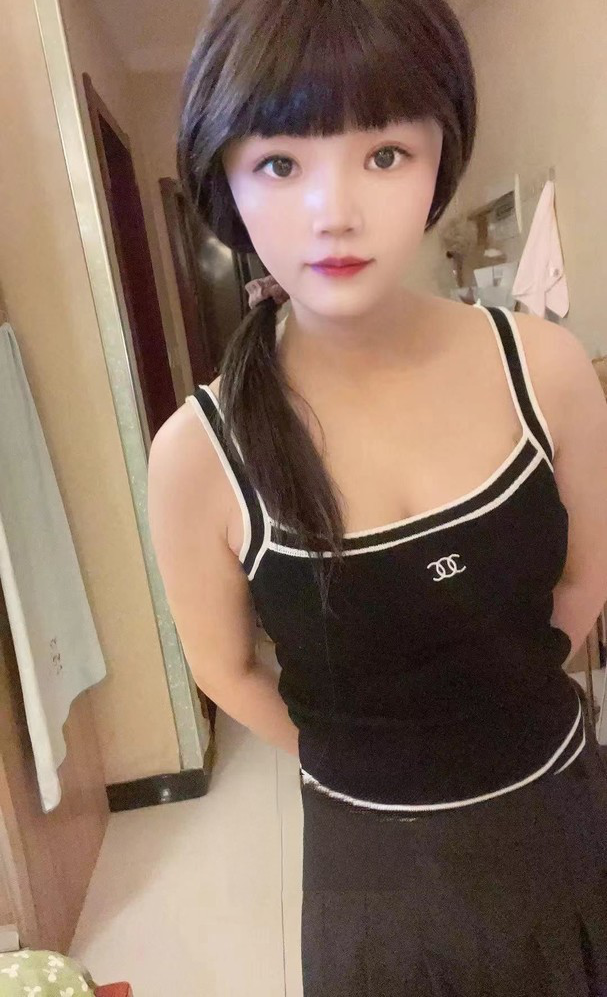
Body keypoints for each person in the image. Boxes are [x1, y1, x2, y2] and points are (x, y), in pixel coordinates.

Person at [147, 0, 607, 992]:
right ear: (225, 178)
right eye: (281, 163)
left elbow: (583, 581)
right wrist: (378, 758)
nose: (334, 211)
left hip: (564, 807)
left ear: (440, 156)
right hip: (378, 871)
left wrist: (493, 710)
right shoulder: (198, 453)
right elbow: (225, 669)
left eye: (385, 154)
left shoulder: (547, 367)